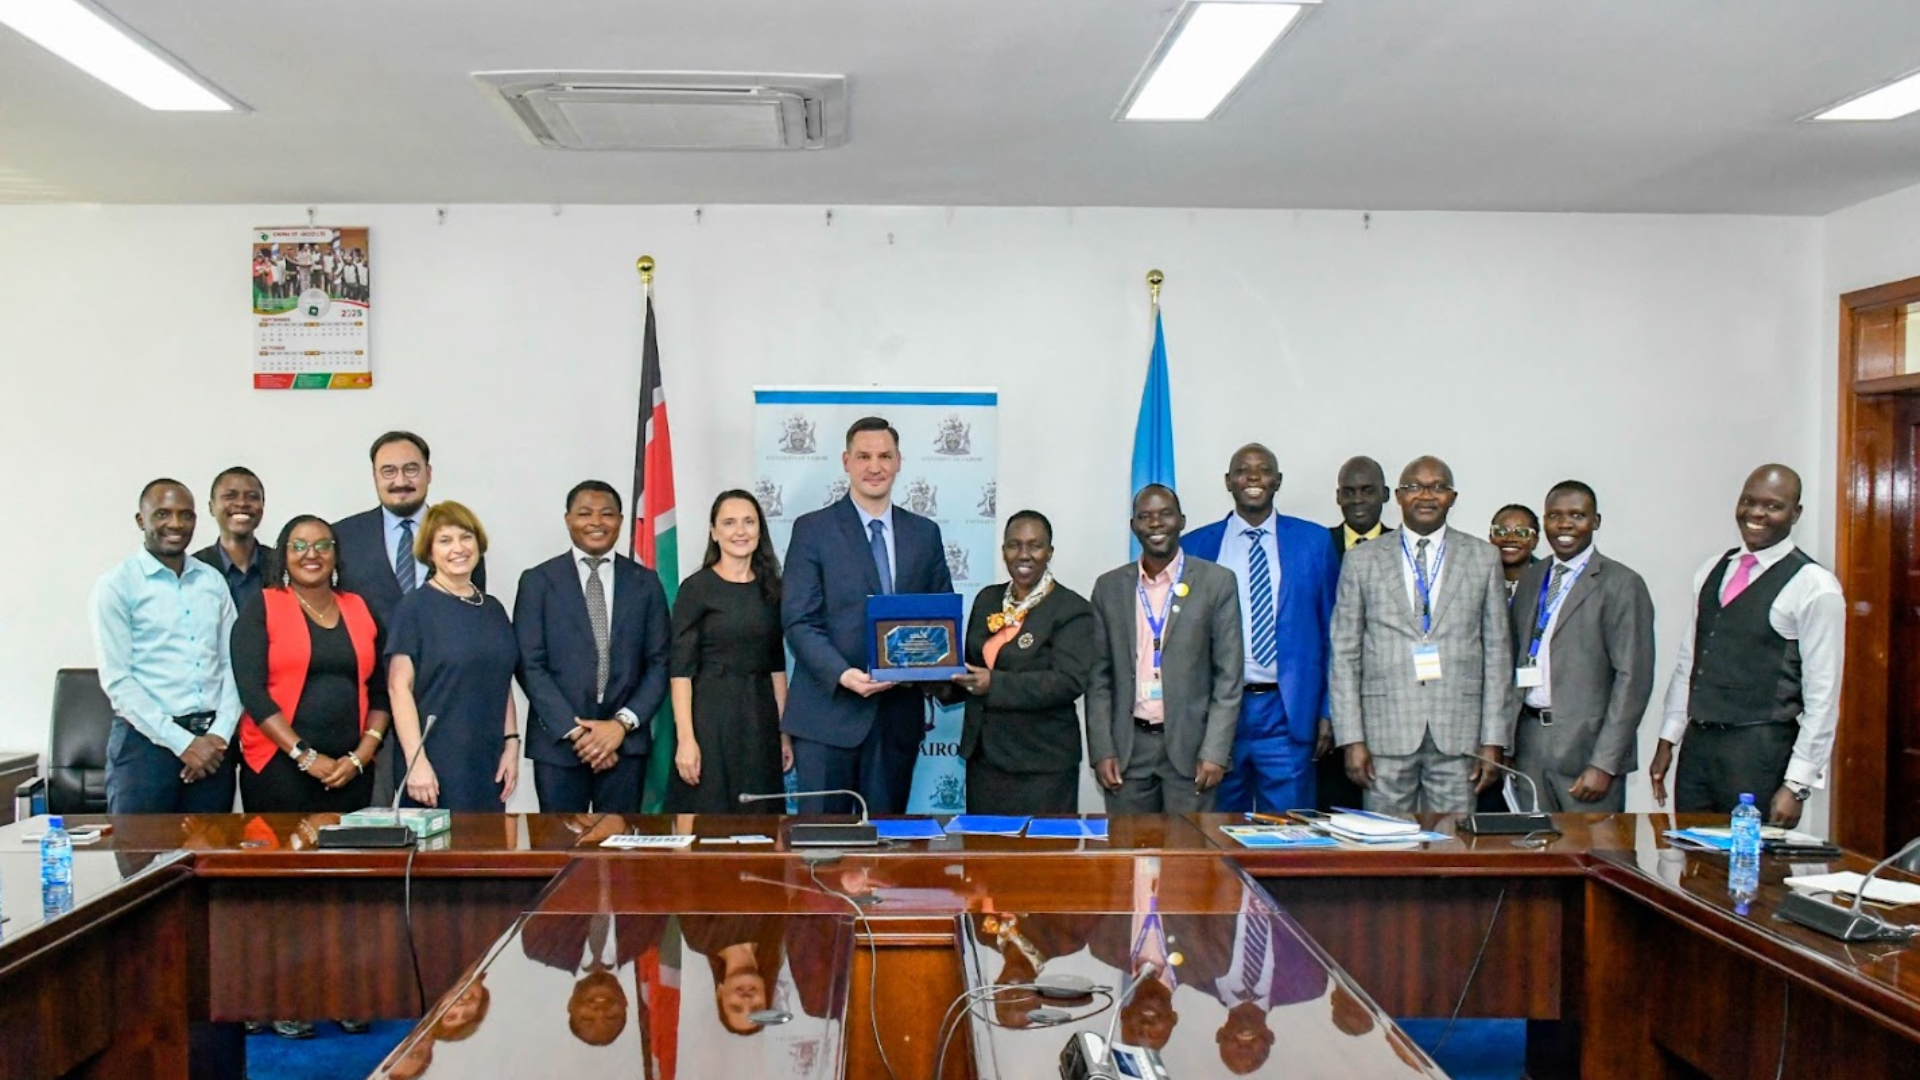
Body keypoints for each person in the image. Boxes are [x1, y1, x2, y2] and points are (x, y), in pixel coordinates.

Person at [1649, 464, 1844, 829]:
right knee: (1692, 855)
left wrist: (1797, 784)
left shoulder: (1814, 585)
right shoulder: (1712, 569)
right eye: (1748, 502)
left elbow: (1823, 695)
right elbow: (1689, 661)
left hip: (1760, 751)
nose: (1756, 513)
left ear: (1796, 513)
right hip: (1699, 747)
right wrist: (1668, 738)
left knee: (1753, 861)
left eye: (1773, 506)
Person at [781, 417, 955, 815]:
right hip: (826, 718)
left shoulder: (924, 533)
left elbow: (939, 617)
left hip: (896, 720)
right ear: (846, 461)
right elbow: (799, 620)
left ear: (899, 461)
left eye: (884, 456)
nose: (874, 467)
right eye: (863, 457)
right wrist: (843, 674)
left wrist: (934, 666)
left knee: (886, 843)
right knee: (822, 844)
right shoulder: (812, 530)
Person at [1328, 456, 1512, 814]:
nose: (1426, 496)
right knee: (1387, 843)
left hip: (1460, 735)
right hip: (1383, 734)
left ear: (1453, 497)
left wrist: (1494, 739)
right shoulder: (1362, 560)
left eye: (1438, 487)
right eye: (1415, 487)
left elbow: (1497, 653)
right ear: (1398, 496)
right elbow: (1345, 654)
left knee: (1454, 842)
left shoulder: (1483, 557)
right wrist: (1351, 738)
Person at [1183, 444, 1339, 812]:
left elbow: (1334, 634)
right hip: (1219, 713)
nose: (1253, 477)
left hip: (1287, 711)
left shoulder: (1314, 542)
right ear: (1228, 481)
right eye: (1243, 470)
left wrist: (1328, 710)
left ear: (1278, 481)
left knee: (1290, 828)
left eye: (1264, 469)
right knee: (1218, 827)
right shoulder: (1195, 546)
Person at [336, 431, 485, 800]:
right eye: (388, 471)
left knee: (448, 817)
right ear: (374, 476)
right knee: (374, 820)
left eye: (411, 469)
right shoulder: (344, 536)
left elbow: (470, 620)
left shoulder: (460, 541)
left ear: (429, 473)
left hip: (447, 711)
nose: (400, 480)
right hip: (365, 710)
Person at [515, 481, 670, 814]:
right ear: (568, 519)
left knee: (621, 844)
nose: (596, 522)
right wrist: (577, 733)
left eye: (607, 514)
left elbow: (659, 662)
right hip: (558, 746)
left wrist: (620, 726)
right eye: (585, 513)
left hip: (625, 746)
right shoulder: (538, 582)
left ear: (621, 520)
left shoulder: (646, 582)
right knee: (558, 843)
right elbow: (529, 665)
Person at [1087, 485, 1243, 814]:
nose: (1156, 523)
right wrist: (1102, 750)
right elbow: (1099, 678)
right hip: (1129, 750)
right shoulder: (1109, 588)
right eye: (1145, 517)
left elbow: (1228, 677)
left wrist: (1215, 751)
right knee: (1128, 847)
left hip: (1192, 750)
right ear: (1133, 526)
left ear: (1181, 521)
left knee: (1189, 847)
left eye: (1165, 514)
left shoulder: (1216, 583)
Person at [92, 479, 242, 813]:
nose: (176, 524)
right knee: (139, 847)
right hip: (144, 747)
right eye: (162, 514)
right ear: (141, 520)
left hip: (212, 749)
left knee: (212, 847)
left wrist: (219, 735)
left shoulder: (212, 581)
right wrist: (183, 743)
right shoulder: (117, 586)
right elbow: (118, 680)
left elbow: (233, 663)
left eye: (185, 515)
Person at [1504, 482, 1655, 813]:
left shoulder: (1622, 583)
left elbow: (1633, 680)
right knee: (1535, 844)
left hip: (1587, 751)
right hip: (1529, 743)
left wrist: (1604, 763)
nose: (1564, 525)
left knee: (1591, 844)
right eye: (1554, 516)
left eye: (1576, 515)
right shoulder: (1533, 577)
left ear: (1595, 521)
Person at [230, 516, 388, 812]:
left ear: (335, 554)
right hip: (279, 768)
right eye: (299, 546)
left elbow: (380, 691)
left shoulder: (360, 607)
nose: (311, 554)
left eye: (322, 546)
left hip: (350, 771)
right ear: (283, 555)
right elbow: (252, 692)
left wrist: (361, 756)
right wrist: (304, 756)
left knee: (350, 844)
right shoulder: (262, 607)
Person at [947, 510, 1095, 814]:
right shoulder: (987, 600)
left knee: (1040, 845)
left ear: (1049, 552)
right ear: (1003, 551)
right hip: (985, 760)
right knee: (985, 843)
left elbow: (1067, 682)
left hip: (1043, 763)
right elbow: (972, 669)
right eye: (1014, 545)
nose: (1024, 554)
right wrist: (928, 677)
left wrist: (994, 684)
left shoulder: (1071, 609)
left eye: (1034, 545)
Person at [387, 501, 520, 811]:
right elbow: (398, 688)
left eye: (465, 537)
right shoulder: (414, 608)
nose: (458, 548)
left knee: (486, 841)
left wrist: (511, 742)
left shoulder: (493, 609)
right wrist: (416, 762)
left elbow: (500, 679)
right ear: (429, 552)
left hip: (488, 759)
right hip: (434, 761)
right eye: (445, 540)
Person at [668, 490, 790, 813]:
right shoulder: (696, 588)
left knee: (761, 815)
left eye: (749, 522)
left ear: (760, 530)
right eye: (729, 522)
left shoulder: (773, 588)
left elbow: (777, 665)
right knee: (710, 814)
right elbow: (680, 672)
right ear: (714, 532)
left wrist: (784, 733)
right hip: (710, 717)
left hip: (760, 718)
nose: (740, 531)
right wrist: (686, 739)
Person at [681, 915, 785, 1036]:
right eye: (756, 1007)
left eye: (736, 1007)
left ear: (720, 992)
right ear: (766, 995)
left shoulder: (699, 937)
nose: (746, 1000)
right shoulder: (774, 932)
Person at [193, 466, 268, 615]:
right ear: (211, 507)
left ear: (262, 506)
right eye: (230, 496)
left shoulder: (281, 566)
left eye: (252, 497)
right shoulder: (194, 569)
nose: (242, 503)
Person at [1330, 456, 1392, 560]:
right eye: (1348, 492)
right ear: (1338, 497)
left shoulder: (1402, 545)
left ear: (1385, 494)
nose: (1357, 500)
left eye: (1368, 491)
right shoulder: (1321, 544)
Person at [1490, 503, 1542, 602]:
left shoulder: (1548, 579)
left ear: (1535, 541)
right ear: (1491, 538)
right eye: (1501, 532)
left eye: (1521, 533)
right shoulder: (1476, 578)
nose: (1510, 538)